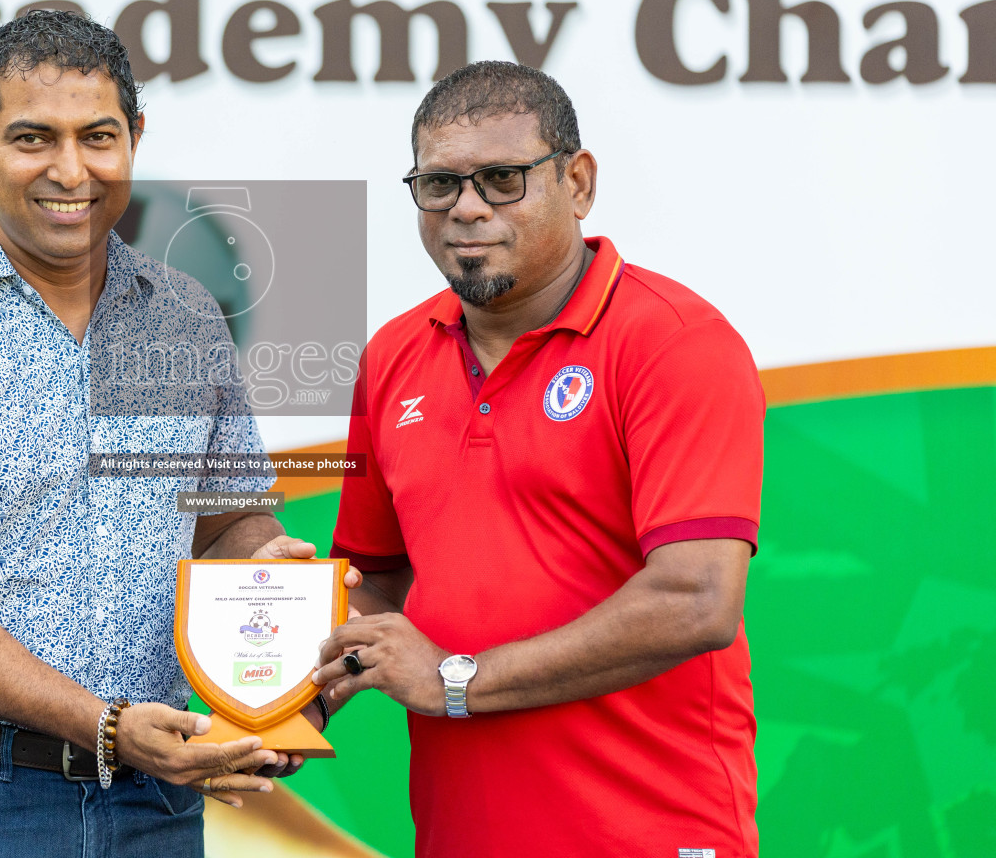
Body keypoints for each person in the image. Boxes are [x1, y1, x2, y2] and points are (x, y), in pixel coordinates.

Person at [0, 10, 353, 858]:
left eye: (98, 137)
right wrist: (104, 727)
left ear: (134, 139)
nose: (71, 170)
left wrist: (269, 600)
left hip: (155, 799)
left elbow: (224, 525)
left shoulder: (182, 317)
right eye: (33, 138)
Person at [313, 61, 764, 857]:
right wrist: (286, 701)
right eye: (440, 185)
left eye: (502, 179)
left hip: (650, 834)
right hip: (462, 836)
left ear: (578, 183)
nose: (468, 209)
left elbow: (697, 601)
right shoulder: (392, 357)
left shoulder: (674, 342)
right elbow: (375, 583)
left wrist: (458, 682)